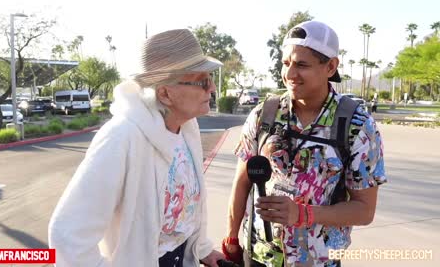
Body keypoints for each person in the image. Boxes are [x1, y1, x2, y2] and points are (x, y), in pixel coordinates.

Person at [48, 29, 226, 267]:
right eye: (203, 82)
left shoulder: (187, 128)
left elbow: (187, 213)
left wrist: (202, 249)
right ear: (165, 93)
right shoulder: (121, 137)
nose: (212, 88)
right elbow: (67, 235)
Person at [223, 21, 386, 267]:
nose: (289, 74)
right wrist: (232, 238)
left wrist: (302, 214)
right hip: (257, 255)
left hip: (318, 261)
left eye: (301, 65)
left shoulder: (357, 125)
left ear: (330, 66)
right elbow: (242, 182)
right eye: (286, 63)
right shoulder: (264, 114)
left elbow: (364, 209)